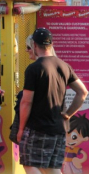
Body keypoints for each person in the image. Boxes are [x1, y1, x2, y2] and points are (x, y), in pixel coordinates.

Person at [18, 28, 88, 174]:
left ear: (35, 45)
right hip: (58, 129)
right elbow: (83, 92)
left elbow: (26, 102)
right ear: (51, 44)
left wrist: (20, 129)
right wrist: (68, 114)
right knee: (52, 168)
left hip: (37, 128)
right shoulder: (64, 66)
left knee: (29, 164)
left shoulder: (34, 68)